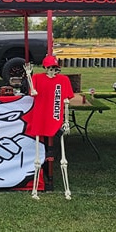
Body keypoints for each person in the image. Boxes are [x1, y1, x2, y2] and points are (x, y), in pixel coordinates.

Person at [26, 55, 75, 199]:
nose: (53, 71)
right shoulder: (37, 79)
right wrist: (31, 83)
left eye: (55, 68)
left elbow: (66, 100)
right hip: (40, 118)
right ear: (45, 68)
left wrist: (66, 120)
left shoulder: (63, 80)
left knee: (63, 157)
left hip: (55, 118)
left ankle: (67, 190)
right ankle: (34, 190)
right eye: (50, 68)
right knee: (37, 154)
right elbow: (33, 92)